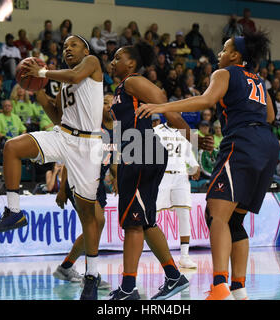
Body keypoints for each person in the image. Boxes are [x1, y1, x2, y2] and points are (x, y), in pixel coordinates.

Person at [136, 30, 278, 300]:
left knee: (215, 214)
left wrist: (161, 107)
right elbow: (270, 114)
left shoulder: (225, 73)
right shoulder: (259, 80)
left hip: (242, 142)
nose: (220, 54)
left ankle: (220, 286)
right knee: (235, 220)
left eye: (225, 49)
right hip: (267, 145)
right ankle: (238, 288)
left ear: (236, 55)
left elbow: (205, 101)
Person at [0, 35, 104, 301]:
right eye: (64, 48)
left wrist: (41, 72)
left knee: (89, 215)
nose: (67, 49)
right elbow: (58, 117)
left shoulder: (91, 63)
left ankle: (91, 277)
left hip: (87, 145)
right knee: (12, 147)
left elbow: (74, 76)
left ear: (85, 49)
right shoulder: (63, 87)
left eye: (73, 45)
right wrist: (37, 91)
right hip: (64, 135)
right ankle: (14, 211)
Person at [108, 41, 193, 300]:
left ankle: (128, 288)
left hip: (143, 150)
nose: (112, 62)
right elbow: (120, 130)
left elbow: (163, 102)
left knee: (134, 223)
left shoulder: (133, 81)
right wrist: (116, 164)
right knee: (143, 222)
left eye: (117, 57)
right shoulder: (121, 90)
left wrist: (188, 135)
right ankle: (174, 276)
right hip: (133, 152)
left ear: (131, 63)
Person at [52, 93, 116, 290]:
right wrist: (62, 189)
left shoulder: (119, 131)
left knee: (94, 227)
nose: (109, 106)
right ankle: (91, 275)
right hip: (78, 181)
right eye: (105, 102)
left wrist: (117, 178)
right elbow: (72, 158)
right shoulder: (91, 127)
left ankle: (66, 267)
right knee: (99, 222)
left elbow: (114, 160)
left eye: (113, 103)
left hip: (97, 185)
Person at [153, 121, 200, 269]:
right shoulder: (157, 130)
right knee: (151, 215)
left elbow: (188, 154)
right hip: (162, 176)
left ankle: (184, 256)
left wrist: (195, 165)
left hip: (181, 176)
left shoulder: (183, 131)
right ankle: (149, 252)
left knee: (184, 214)